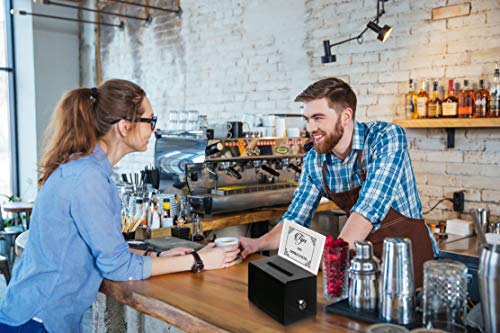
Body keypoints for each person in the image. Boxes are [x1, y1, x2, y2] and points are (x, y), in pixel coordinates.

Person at [0, 79, 239, 333]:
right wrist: (197, 260)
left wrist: (157, 256)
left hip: (34, 316)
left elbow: (105, 250)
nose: (154, 130)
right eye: (150, 120)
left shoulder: (86, 170)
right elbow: (118, 267)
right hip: (37, 322)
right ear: (125, 127)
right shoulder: (88, 178)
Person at [239, 77, 437, 287]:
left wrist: (333, 258)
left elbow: (369, 209)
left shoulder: (385, 138)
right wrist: (256, 243)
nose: (310, 128)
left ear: (346, 116)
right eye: (306, 119)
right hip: (363, 264)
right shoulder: (315, 160)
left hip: (409, 261)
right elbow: (295, 219)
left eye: (318, 118)